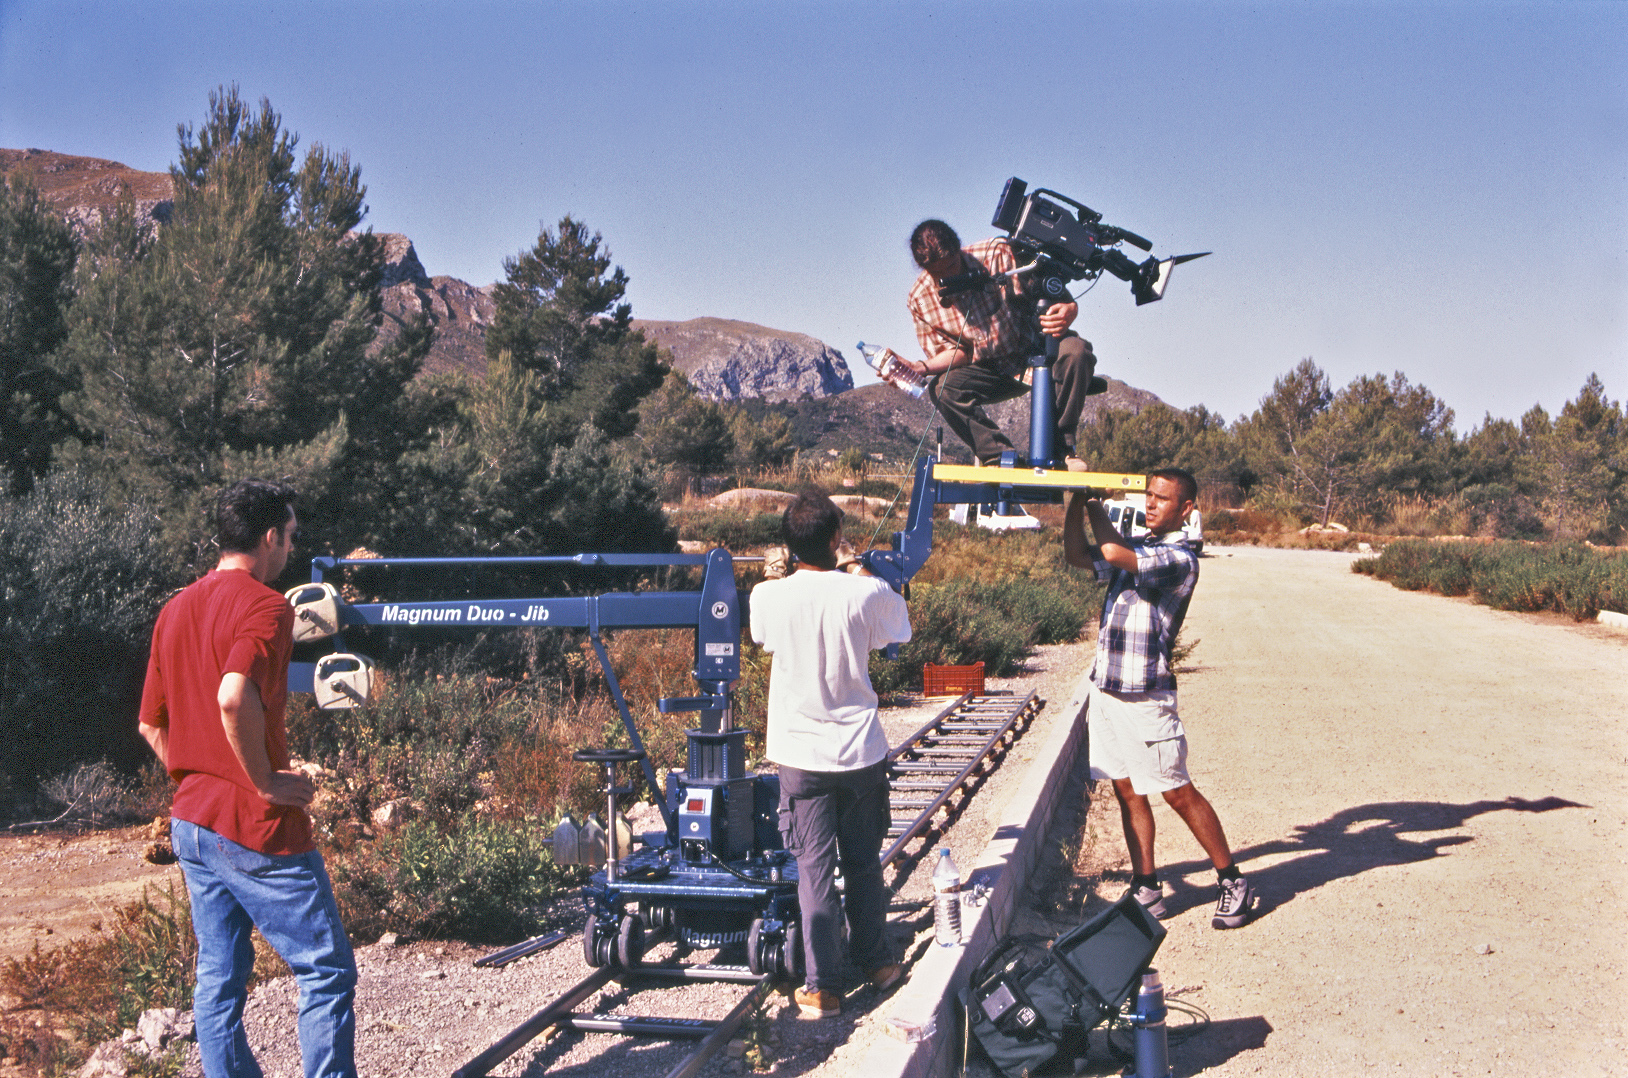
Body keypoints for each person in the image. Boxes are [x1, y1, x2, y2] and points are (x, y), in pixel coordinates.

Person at [138, 479, 358, 1078]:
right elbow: (234, 697)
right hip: (252, 826)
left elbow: (149, 724)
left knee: (218, 978)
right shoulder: (266, 606)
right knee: (325, 968)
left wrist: (200, 773)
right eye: (289, 535)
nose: (291, 546)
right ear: (268, 538)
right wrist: (260, 782)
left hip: (192, 824)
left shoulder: (174, 609)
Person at [1063, 468, 1255, 929]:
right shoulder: (1141, 546)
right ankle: (1146, 885)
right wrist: (1072, 502)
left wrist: (1091, 501)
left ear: (1185, 509)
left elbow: (1110, 550)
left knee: (1176, 790)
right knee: (1126, 789)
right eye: (1148, 495)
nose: (1150, 504)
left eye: (1162, 498)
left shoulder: (1178, 558)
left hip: (1146, 695)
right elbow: (1077, 555)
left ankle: (1232, 880)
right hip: (1108, 688)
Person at [749, 492, 914, 1019]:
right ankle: (879, 963)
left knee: (814, 869)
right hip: (862, 751)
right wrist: (861, 571)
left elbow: (762, 634)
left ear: (787, 545)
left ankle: (823, 987)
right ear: (835, 539)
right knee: (864, 863)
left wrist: (782, 577)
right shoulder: (865, 593)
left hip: (802, 757)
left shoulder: (766, 596)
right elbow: (900, 629)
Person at [899, 218, 1104, 468]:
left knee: (1077, 351)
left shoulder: (998, 254)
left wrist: (1070, 308)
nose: (948, 276)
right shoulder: (919, 299)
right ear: (923, 267)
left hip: (1037, 350)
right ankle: (1000, 457)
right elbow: (958, 353)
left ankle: (1062, 450)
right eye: (937, 273)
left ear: (959, 249)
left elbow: (1054, 291)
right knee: (943, 389)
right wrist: (922, 367)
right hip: (991, 371)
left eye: (952, 265)